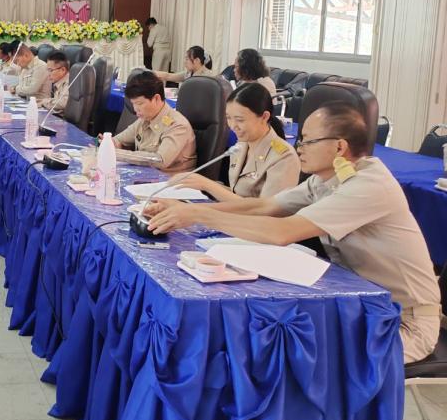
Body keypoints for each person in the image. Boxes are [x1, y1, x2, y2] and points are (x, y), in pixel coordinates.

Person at [146, 102, 440, 363]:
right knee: (264, 338)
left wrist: (198, 215)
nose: (299, 147)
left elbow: (283, 232)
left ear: (339, 147)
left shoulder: (368, 186)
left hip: (401, 321)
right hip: (358, 306)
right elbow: (265, 206)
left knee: (296, 356)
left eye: (308, 141)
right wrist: (186, 207)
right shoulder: (326, 179)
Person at [170, 83, 299, 200]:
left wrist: (208, 185)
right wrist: (201, 183)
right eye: (228, 118)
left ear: (264, 117)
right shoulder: (241, 145)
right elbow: (236, 194)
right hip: (233, 214)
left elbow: (267, 211)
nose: (232, 126)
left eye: (240, 120)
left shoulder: (283, 157)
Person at [111, 70, 196, 173]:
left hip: (171, 180)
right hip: (145, 176)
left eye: (140, 103)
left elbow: (160, 160)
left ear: (156, 98)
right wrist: (109, 143)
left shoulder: (177, 125)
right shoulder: (145, 119)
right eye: (133, 103)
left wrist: (117, 153)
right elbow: (118, 139)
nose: (135, 109)